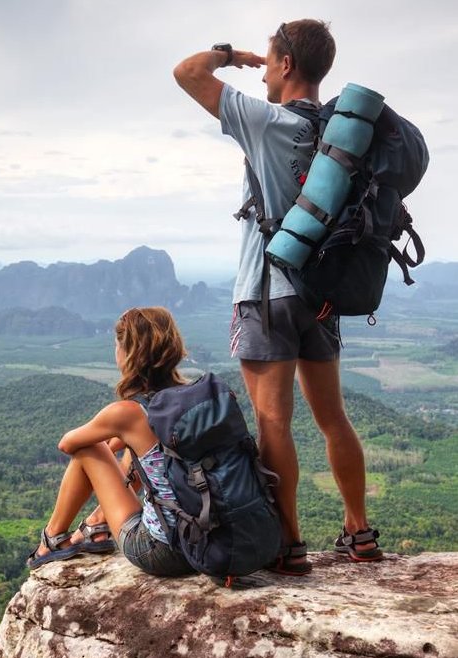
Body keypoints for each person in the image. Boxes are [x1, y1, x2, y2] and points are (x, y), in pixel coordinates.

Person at [173, 19, 382, 574]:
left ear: (286, 65)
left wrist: (230, 53)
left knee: (274, 424)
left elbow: (186, 72)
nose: (262, 71)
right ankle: (359, 532)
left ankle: (289, 544)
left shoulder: (265, 121)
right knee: (333, 418)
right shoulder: (342, 134)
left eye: (268, 62)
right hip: (322, 294)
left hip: (267, 292)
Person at [27, 307, 196, 577]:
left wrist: (108, 448)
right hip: (209, 541)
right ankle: (96, 524)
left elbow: (68, 444)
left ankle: (52, 538)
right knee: (136, 449)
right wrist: (121, 441)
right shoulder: (192, 396)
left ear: (128, 353)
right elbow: (142, 441)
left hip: (164, 552)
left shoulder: (127, 413)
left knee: (89, 447)